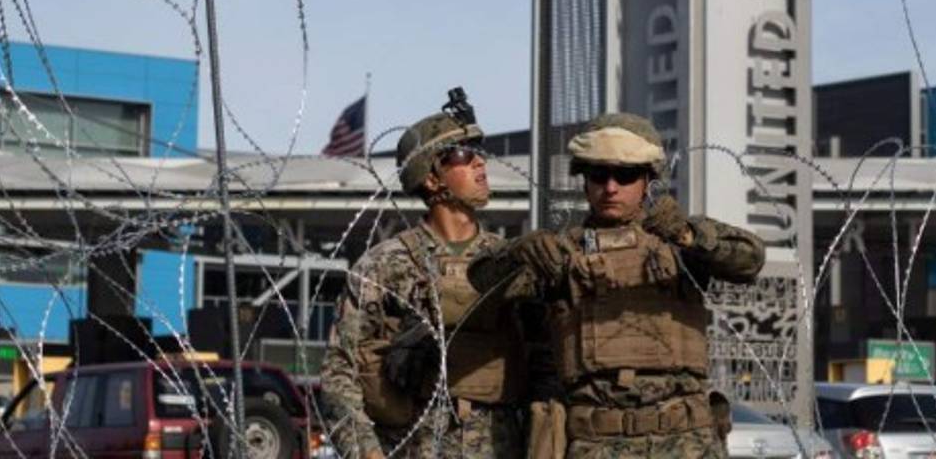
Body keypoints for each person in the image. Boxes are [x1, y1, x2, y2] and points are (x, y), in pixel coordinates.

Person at [468, 112, 766, 458]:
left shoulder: (678, 240)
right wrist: (517, 253)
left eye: (624, 175)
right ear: (584, 181)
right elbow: (483, 282)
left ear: (647, 180)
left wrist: (687, 234)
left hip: (685, 441)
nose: (611, 187)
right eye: (599, 175)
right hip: (598, 443)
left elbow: (750, 258)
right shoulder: (561, 253)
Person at [320, 89, 525, 458]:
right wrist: (365, 451)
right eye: (464, 155)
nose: (480, 164)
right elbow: (340, 371)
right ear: (432, 178)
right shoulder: (383, 266)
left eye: (479, 152)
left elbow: (542, 364)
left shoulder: (508, 263)